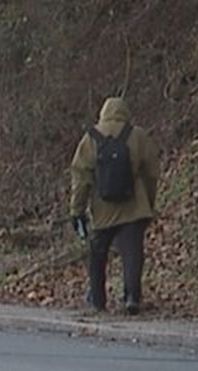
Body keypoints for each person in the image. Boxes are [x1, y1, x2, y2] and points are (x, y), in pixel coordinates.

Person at [69, 97, 161, 314]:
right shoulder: (138, 135)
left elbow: (81, 178)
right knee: (132, 253)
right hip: (134, 205)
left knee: (98, 254)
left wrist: (77, 210)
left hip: (103, 208)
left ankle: (98, 301)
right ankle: (131, 297)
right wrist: (148, 201)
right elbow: (151, 173)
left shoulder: (91, 138)